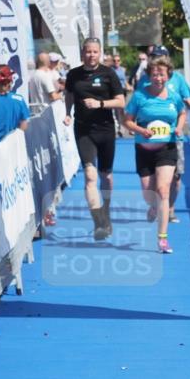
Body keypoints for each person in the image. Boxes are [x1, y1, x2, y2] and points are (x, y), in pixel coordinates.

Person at [122, 54, 187, 254]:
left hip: (167, 148)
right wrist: (141, 131)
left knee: (163, 190)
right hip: (144, 148)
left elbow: (182, 113)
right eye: (155, 74)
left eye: (162, 74)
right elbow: (127, 120)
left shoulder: (174, 96)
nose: (158, 78)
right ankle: (153, 207)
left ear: (168, 75)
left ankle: (163, 239)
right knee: (149, 193)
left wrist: (178, 128)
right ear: (149, 75)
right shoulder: (140, 96)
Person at [64, 37, 125, 240]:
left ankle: (106, 211)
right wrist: (67, 112)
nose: (91, 55)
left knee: (105, 176)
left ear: (100, 53)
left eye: (95, 52)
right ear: (83, 53)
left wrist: (99, 104)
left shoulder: (109, 74)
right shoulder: (74, 74)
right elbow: (69, 95)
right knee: (90, 176)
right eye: (88, 52)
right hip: (83, 130)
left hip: (105, 130)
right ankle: (98, 222)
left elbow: (120, 101)